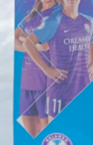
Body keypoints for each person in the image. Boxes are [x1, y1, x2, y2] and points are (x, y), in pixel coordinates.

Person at [24, 0, 93, 119]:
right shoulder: (53, 21)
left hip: (83, 88)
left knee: (81, 132)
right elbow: (28, 43)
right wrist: (45, 69)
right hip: (59, 92)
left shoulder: (89, 21)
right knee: (58, 132)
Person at [14, 0, 61, 137]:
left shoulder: (57, 14)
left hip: (46, 82)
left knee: (47, 133)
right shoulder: (31, 16)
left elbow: (47, 46)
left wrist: (26, 41)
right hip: (27, 82)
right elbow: (14, 40)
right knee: (29, 134)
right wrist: (31, 45)